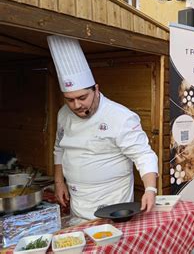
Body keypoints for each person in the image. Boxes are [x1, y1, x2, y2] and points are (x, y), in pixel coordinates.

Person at [48, 35, 159, 220]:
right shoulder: (63, 114)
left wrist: (150, 189)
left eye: (82, 98)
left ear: (96, 89)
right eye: (70, 99)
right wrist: (59, 182)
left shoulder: (121, 117)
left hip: (113, 204)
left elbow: (143, 155)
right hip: (79, 202)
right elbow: (59, 149)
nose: (76, 105)